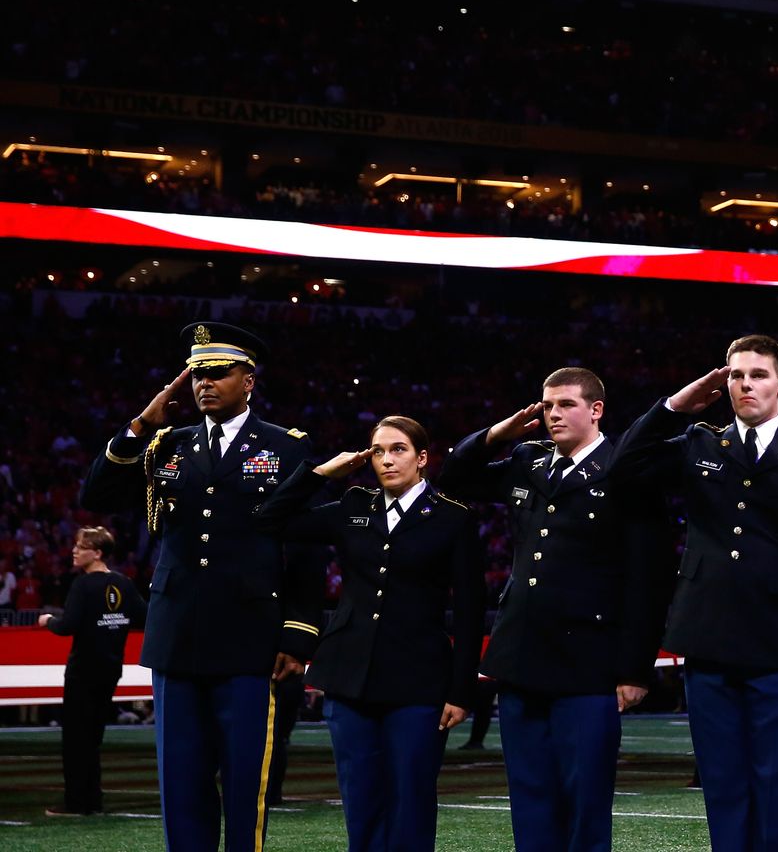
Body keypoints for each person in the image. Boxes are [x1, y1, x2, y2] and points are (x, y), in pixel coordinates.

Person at [82, 321, 324, 852]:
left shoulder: (287, 448)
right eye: (196, 375)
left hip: (250, 637)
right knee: (181, 781)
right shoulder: (165, 444)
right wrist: (142, 422)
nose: (203, 384)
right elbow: (96, 494)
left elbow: (308, 549)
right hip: (176, 635)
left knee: (243, 782)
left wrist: (299, 634)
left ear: (249, 380)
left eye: (218, 373)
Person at [621, 335, 778, 852]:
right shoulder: (698, 443)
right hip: (710, 640)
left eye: (756, 374)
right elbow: (624, 467)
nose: (745, 383)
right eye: (735, 375)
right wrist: (675, 406)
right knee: (722, 782)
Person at [439, 367, 667, 852]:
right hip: (521, 656)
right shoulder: (528, 460)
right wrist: (501, 432)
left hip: (589, 661)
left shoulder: (626, 465)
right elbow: (454, 478)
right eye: (546, 406)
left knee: (584, 799)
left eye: (565, 404)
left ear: (596, 409)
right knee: (530, 795)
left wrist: (634, 668)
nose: (552, 414)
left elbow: (648, 579)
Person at [253, 415, 486, 852]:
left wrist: (460, 690)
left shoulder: (453, 519)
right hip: (347, 677)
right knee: (360, 798)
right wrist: (321, 475)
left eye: (398, 449)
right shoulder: (352, 505)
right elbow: (270, 521)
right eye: (378, 451)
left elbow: (471, 611)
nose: (386, 460)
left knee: (411, 798)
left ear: (422, 458)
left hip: (419, 682)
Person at [40, 526, 146, 817]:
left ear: (97, 552)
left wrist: (48, 620)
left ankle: (77, 803)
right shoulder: (123, 583)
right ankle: (92, 801)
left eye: (80, 546)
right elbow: (144, 616)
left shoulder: (83, 585)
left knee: (76, 739)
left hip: (83, 671)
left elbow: (68, 626)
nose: (74, 550)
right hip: (110, 670)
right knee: (93, 737)